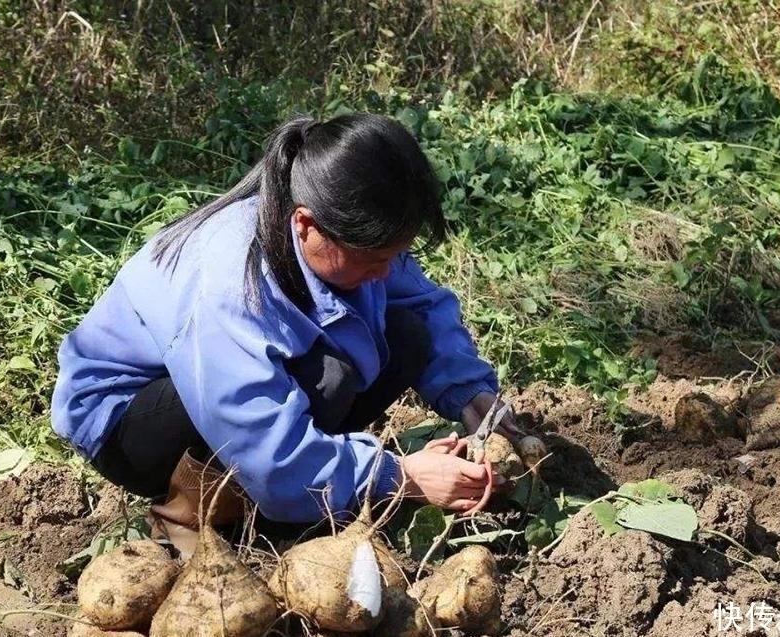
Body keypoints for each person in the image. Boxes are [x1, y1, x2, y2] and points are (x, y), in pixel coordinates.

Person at [51, 113, 518, 554]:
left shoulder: (349, 229)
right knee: (328, 376)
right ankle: (192, 513)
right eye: (374, 259)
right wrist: (398, 476)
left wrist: (469, 393)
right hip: (126, 422)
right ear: (306, 225)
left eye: (394, 256)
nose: (385, 272)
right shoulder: (229, 281)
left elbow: (421, 304)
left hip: (226, 396)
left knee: (408, 334)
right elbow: (255, 429)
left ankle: (304, 488)